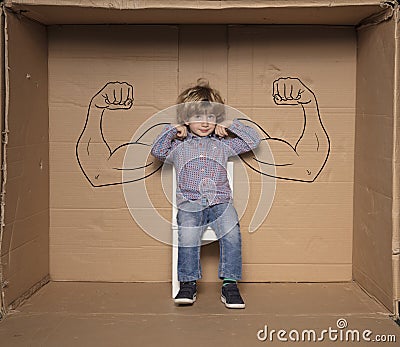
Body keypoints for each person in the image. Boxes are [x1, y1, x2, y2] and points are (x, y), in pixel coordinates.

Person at [151, 79, 261, 308]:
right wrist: (172, 131)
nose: (205, 123)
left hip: (220, 201)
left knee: (231, 232)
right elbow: (157, 151)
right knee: (188, 234)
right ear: (186, 118)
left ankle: (230, 285)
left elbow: (253, 140)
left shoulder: (223, 144)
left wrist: (232, 126)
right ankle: (188, 283)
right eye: (198, 117)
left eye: (211, 117)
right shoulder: (178, 146)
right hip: (190, 202)